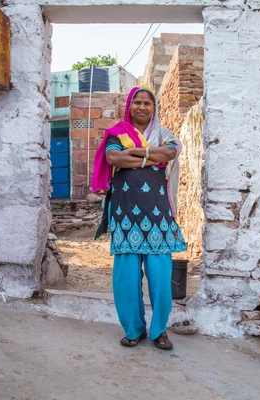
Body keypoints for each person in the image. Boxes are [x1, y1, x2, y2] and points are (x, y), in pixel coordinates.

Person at [91, 85, 187, 350]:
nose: (142, 107)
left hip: (158, 216)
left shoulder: (165, 134)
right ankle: (133, 329)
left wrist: (133, 153)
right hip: (125, 214)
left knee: (160, 277)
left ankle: (159, 330)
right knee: (126, 278)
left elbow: (168, 153)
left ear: (154, 108)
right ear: (129, 107)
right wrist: (149, 156)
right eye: (137, 103)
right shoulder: (117, 133)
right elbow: (113, 158)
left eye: (147, 103)